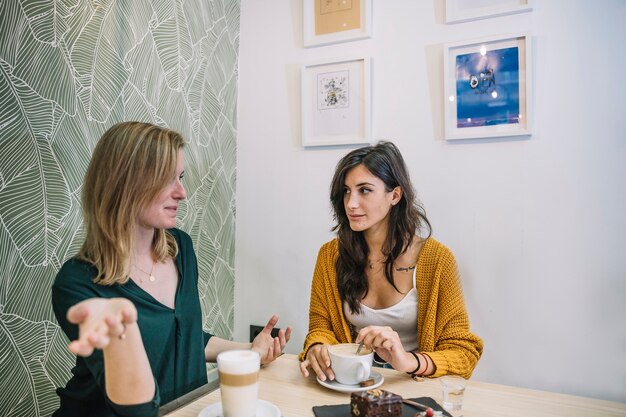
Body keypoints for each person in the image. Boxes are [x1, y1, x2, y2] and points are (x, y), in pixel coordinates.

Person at [51, 121, 292, 417]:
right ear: (124, 183)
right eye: (168, 179)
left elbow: (184, 336)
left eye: (181, 177)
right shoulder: (78, 283)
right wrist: (122, 331)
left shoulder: (181, 249)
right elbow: (135, 407)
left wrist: (249, 351)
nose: (182, 192)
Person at [299, 141, 482, 382]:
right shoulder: (330, 255)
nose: (351, 203)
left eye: (364, 190)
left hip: (414, 393)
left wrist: (408, 361)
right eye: (346, 191)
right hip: (352, 387)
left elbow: (464, 353)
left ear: (395, 195)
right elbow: (321, 328)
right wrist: (318, 347)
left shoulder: (437, 259)